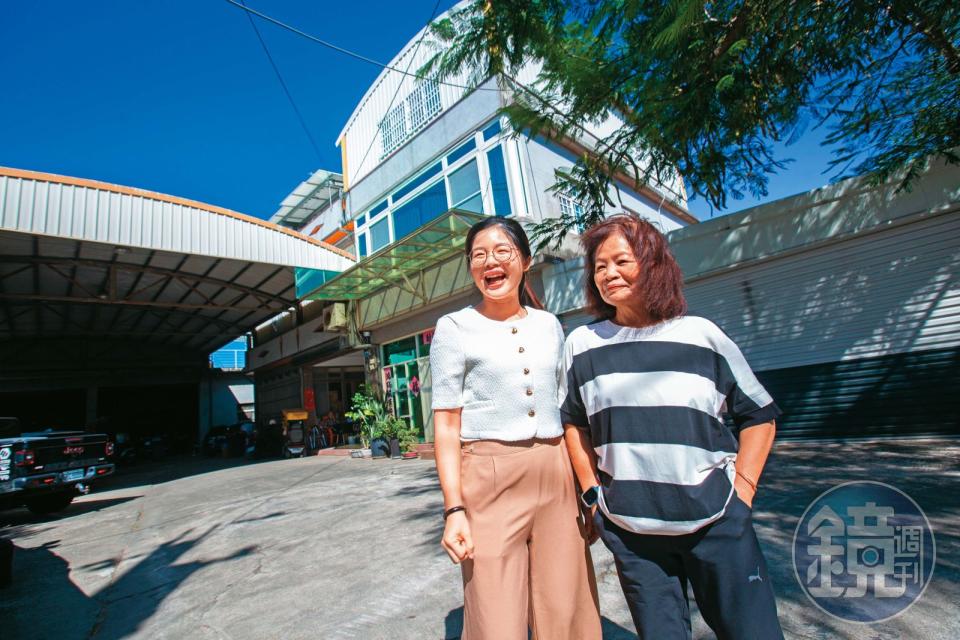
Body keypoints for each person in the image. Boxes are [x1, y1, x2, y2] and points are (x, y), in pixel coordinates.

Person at [560, 213, 784, 640]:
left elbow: (759, 415)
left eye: (621, 261)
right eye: (599, 266)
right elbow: (573, 423)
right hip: (633, 533)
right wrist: (592, 495)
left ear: (652, 262)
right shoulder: (582, 345)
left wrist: (744, 493)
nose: (608, 273)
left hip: (716, 523)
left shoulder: (701, 336)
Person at [431, 217, 601, 640]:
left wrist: (587, 486)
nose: (491, 261)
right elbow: (447, 424)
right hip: (488, 475)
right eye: (479, 255)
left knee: (566, 605)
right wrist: (454, 510)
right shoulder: (454, 328)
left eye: (502, 251)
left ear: (524, 260)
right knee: (495, 613)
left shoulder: (549, 325)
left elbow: (568, 412)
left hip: (555, 470)